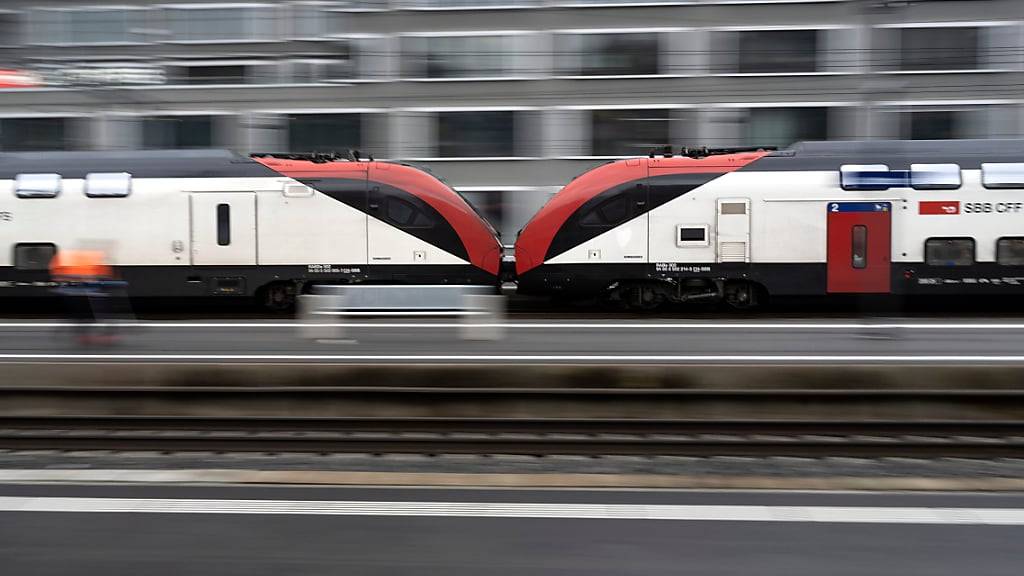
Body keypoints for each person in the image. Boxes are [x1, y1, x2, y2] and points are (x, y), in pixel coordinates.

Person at [49, 249, 118, 345]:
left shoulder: (67, 263)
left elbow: (59, 278)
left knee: (80, 315)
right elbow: (94, 279)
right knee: (93, 313)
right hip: (82, 294)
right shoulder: (91, 263)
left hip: (75, 293)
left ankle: (82, 333)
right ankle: (99, 334)